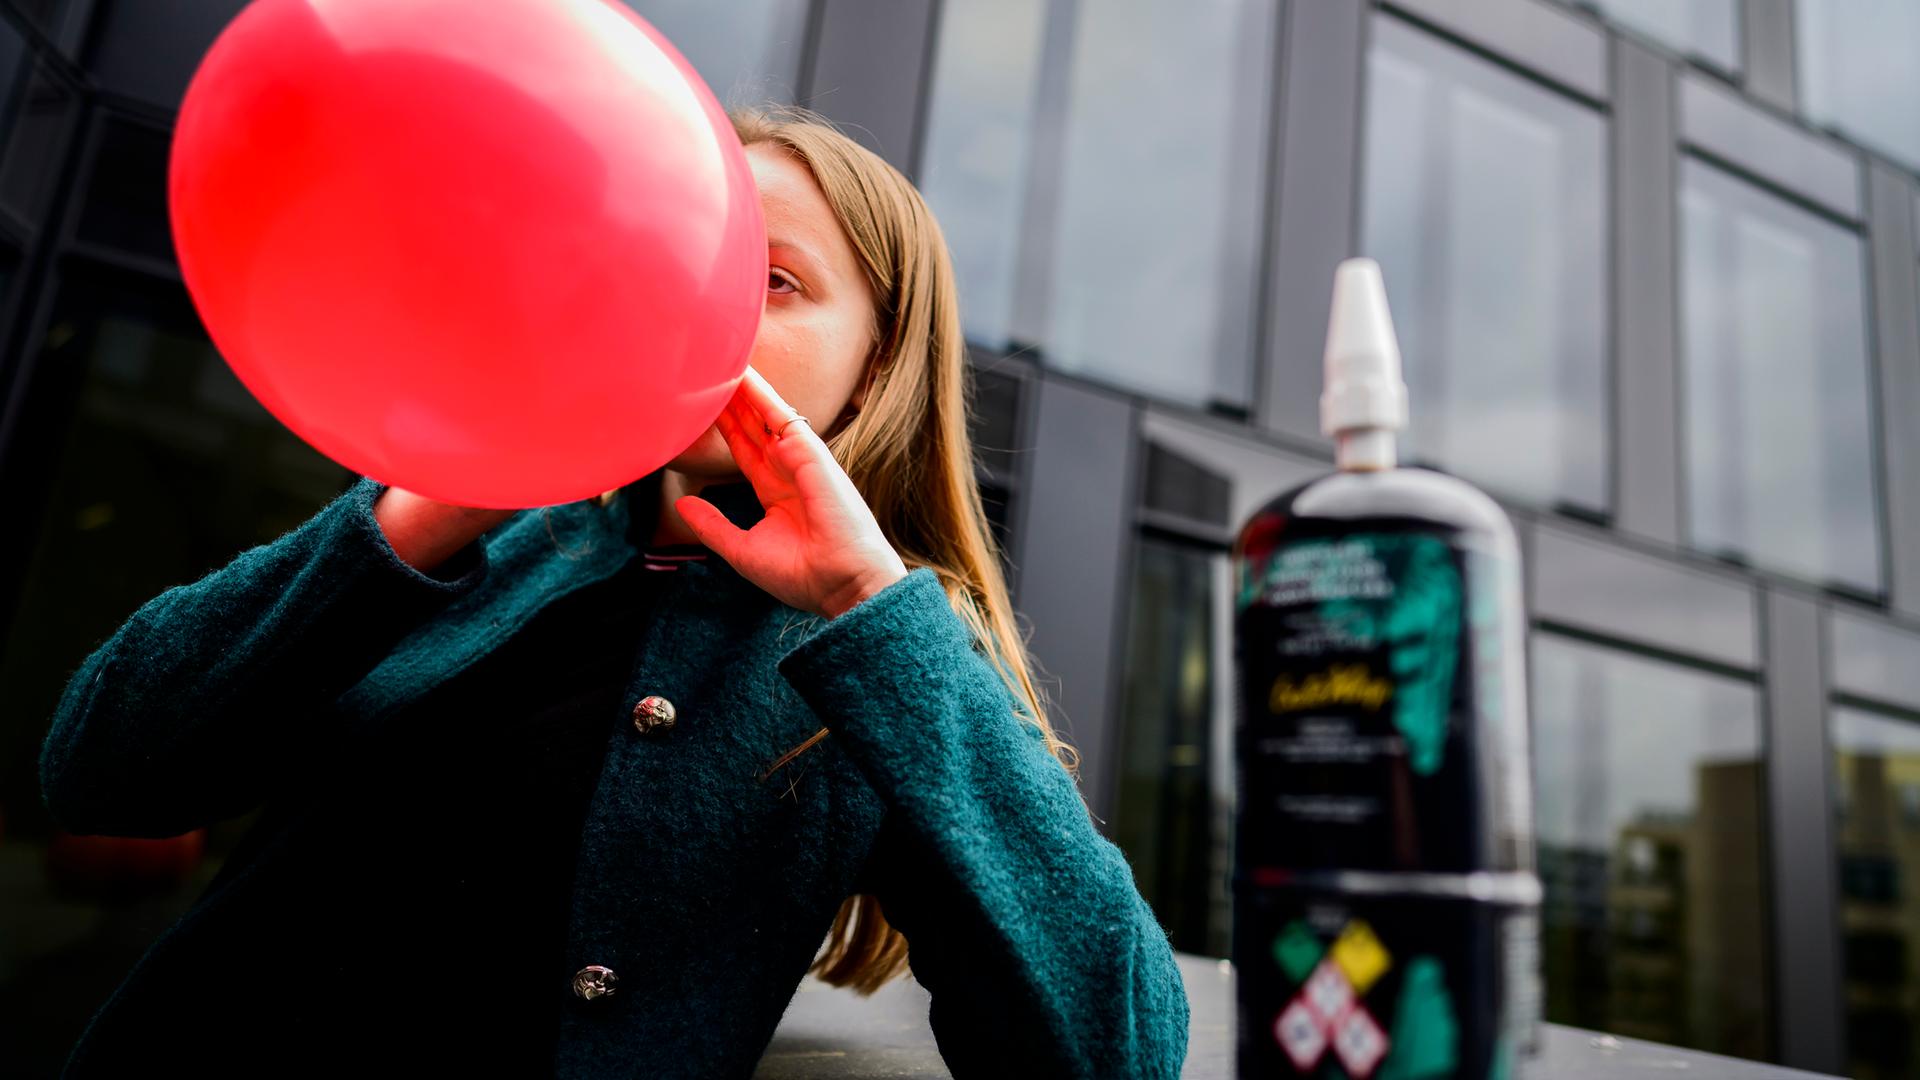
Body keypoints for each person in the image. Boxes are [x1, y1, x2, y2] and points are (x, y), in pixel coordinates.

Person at [37, 104, 1190, 1078]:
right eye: (688, 260)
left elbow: (1118, 1047)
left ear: (877, 369)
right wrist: (433, 504)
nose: (709, 303)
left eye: (776, 281)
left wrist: (870, 607)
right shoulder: (468, 532)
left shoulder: (888, 648)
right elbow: (101, 765)